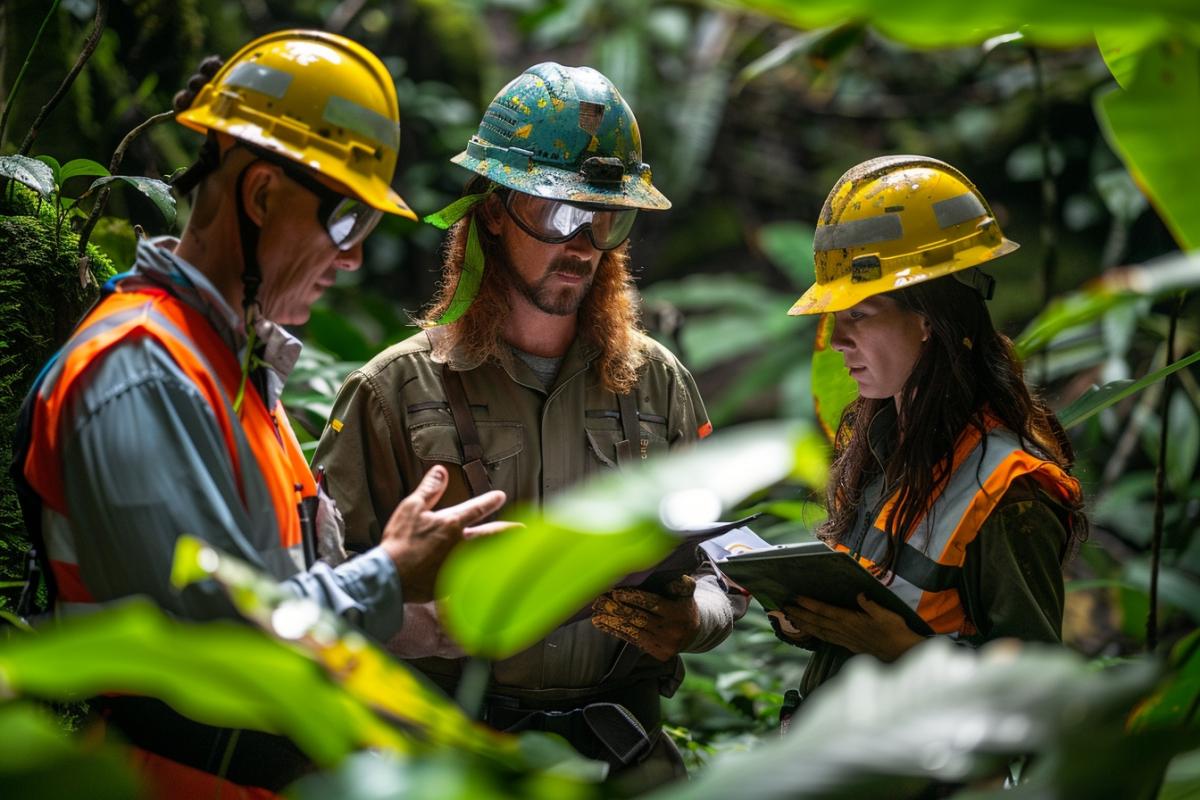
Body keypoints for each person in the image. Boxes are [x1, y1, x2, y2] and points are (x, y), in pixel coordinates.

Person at [15, 31, 504, 797]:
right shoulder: (139, 375)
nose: (352, 257)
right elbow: (206, 639)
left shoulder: (229, 369)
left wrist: (439, 612)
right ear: (262, 195)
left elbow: (285, 595)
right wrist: (389, 572)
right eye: (346, 221)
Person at [314, 62, 745, 788]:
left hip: (627, 758)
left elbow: (727, 566)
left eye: (604, 217)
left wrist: (692, 620)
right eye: (555, 212)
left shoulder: (657, 383)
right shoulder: (393, 390)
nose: (582, 242)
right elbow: (325, 594)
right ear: (491, 212)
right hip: (447, 764)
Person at [777, 155, 1086, 697]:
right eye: (836, 315)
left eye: (861, 313)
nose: (838, 338)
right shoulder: (881, 448)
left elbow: (1036, 690)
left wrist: (907, 653)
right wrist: (808, 617)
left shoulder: (1008, 489)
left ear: (928, 319)